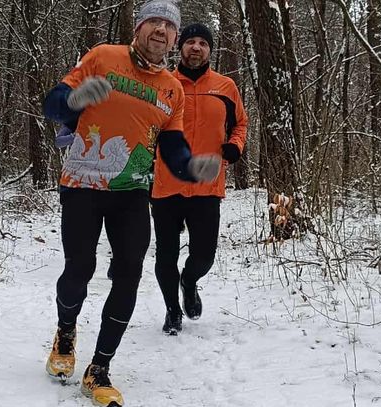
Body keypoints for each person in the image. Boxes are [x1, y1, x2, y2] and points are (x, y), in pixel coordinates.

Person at [42, 2, 221, 406]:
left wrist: (191, 167)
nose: (161, 30)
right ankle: (66, 332)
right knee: (79, 270)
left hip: (133, 192)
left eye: (169, 26)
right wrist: (76, 99)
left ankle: (100, 369)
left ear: (174, 40)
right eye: (153, 22)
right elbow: (51, 104)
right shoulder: (103, 57)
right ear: (138, 28)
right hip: (83, 183)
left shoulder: (172, 89)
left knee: (128, 276)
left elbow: (171, 146)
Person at [150, 23, 248, 336]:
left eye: (203, 43)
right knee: (166, 255)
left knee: (204, 256)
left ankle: (189, 281)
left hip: (207, 185)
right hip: (166, 184)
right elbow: (143, 125)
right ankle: (172, 310)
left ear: (210, 50)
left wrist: (235, 146)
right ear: (180, 47)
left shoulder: (226, 87)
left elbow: (240, 124)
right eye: (190, 41)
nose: (196, 47)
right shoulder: (162, 84)